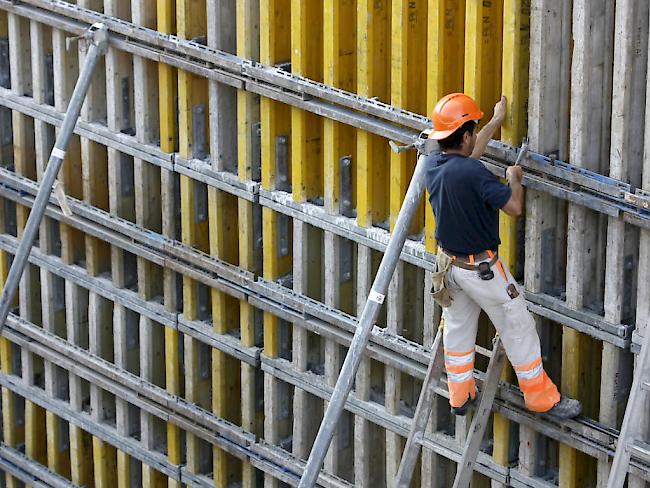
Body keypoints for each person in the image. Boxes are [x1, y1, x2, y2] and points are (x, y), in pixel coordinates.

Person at [425, 93, 581, 419]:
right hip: (481, 270)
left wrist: (495, 122)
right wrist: (514, 181)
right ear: (465, 135)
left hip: (449, 267)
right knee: (518, 323)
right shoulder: (474, 174)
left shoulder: (434, 165)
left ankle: (460, 394)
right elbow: (514, 207)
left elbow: (469, 158)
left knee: (457, 329)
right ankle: (540, 397)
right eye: (474, 131)